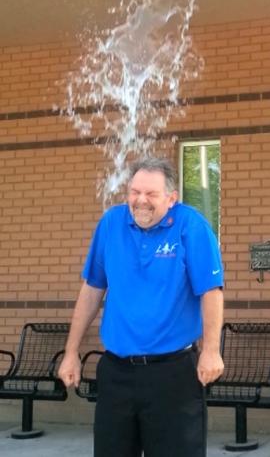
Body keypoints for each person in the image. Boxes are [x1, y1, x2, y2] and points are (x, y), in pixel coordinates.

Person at [58, 156, 224, 457]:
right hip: (116, 372)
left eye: (151, 194)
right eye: (135, 192)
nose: (141, 201)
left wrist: (211, 350)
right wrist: (71, 352)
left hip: (173, 374)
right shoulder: (111, 223)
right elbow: (92, 288)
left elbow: (210, 291)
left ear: (171, 198)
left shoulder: (191, 226)